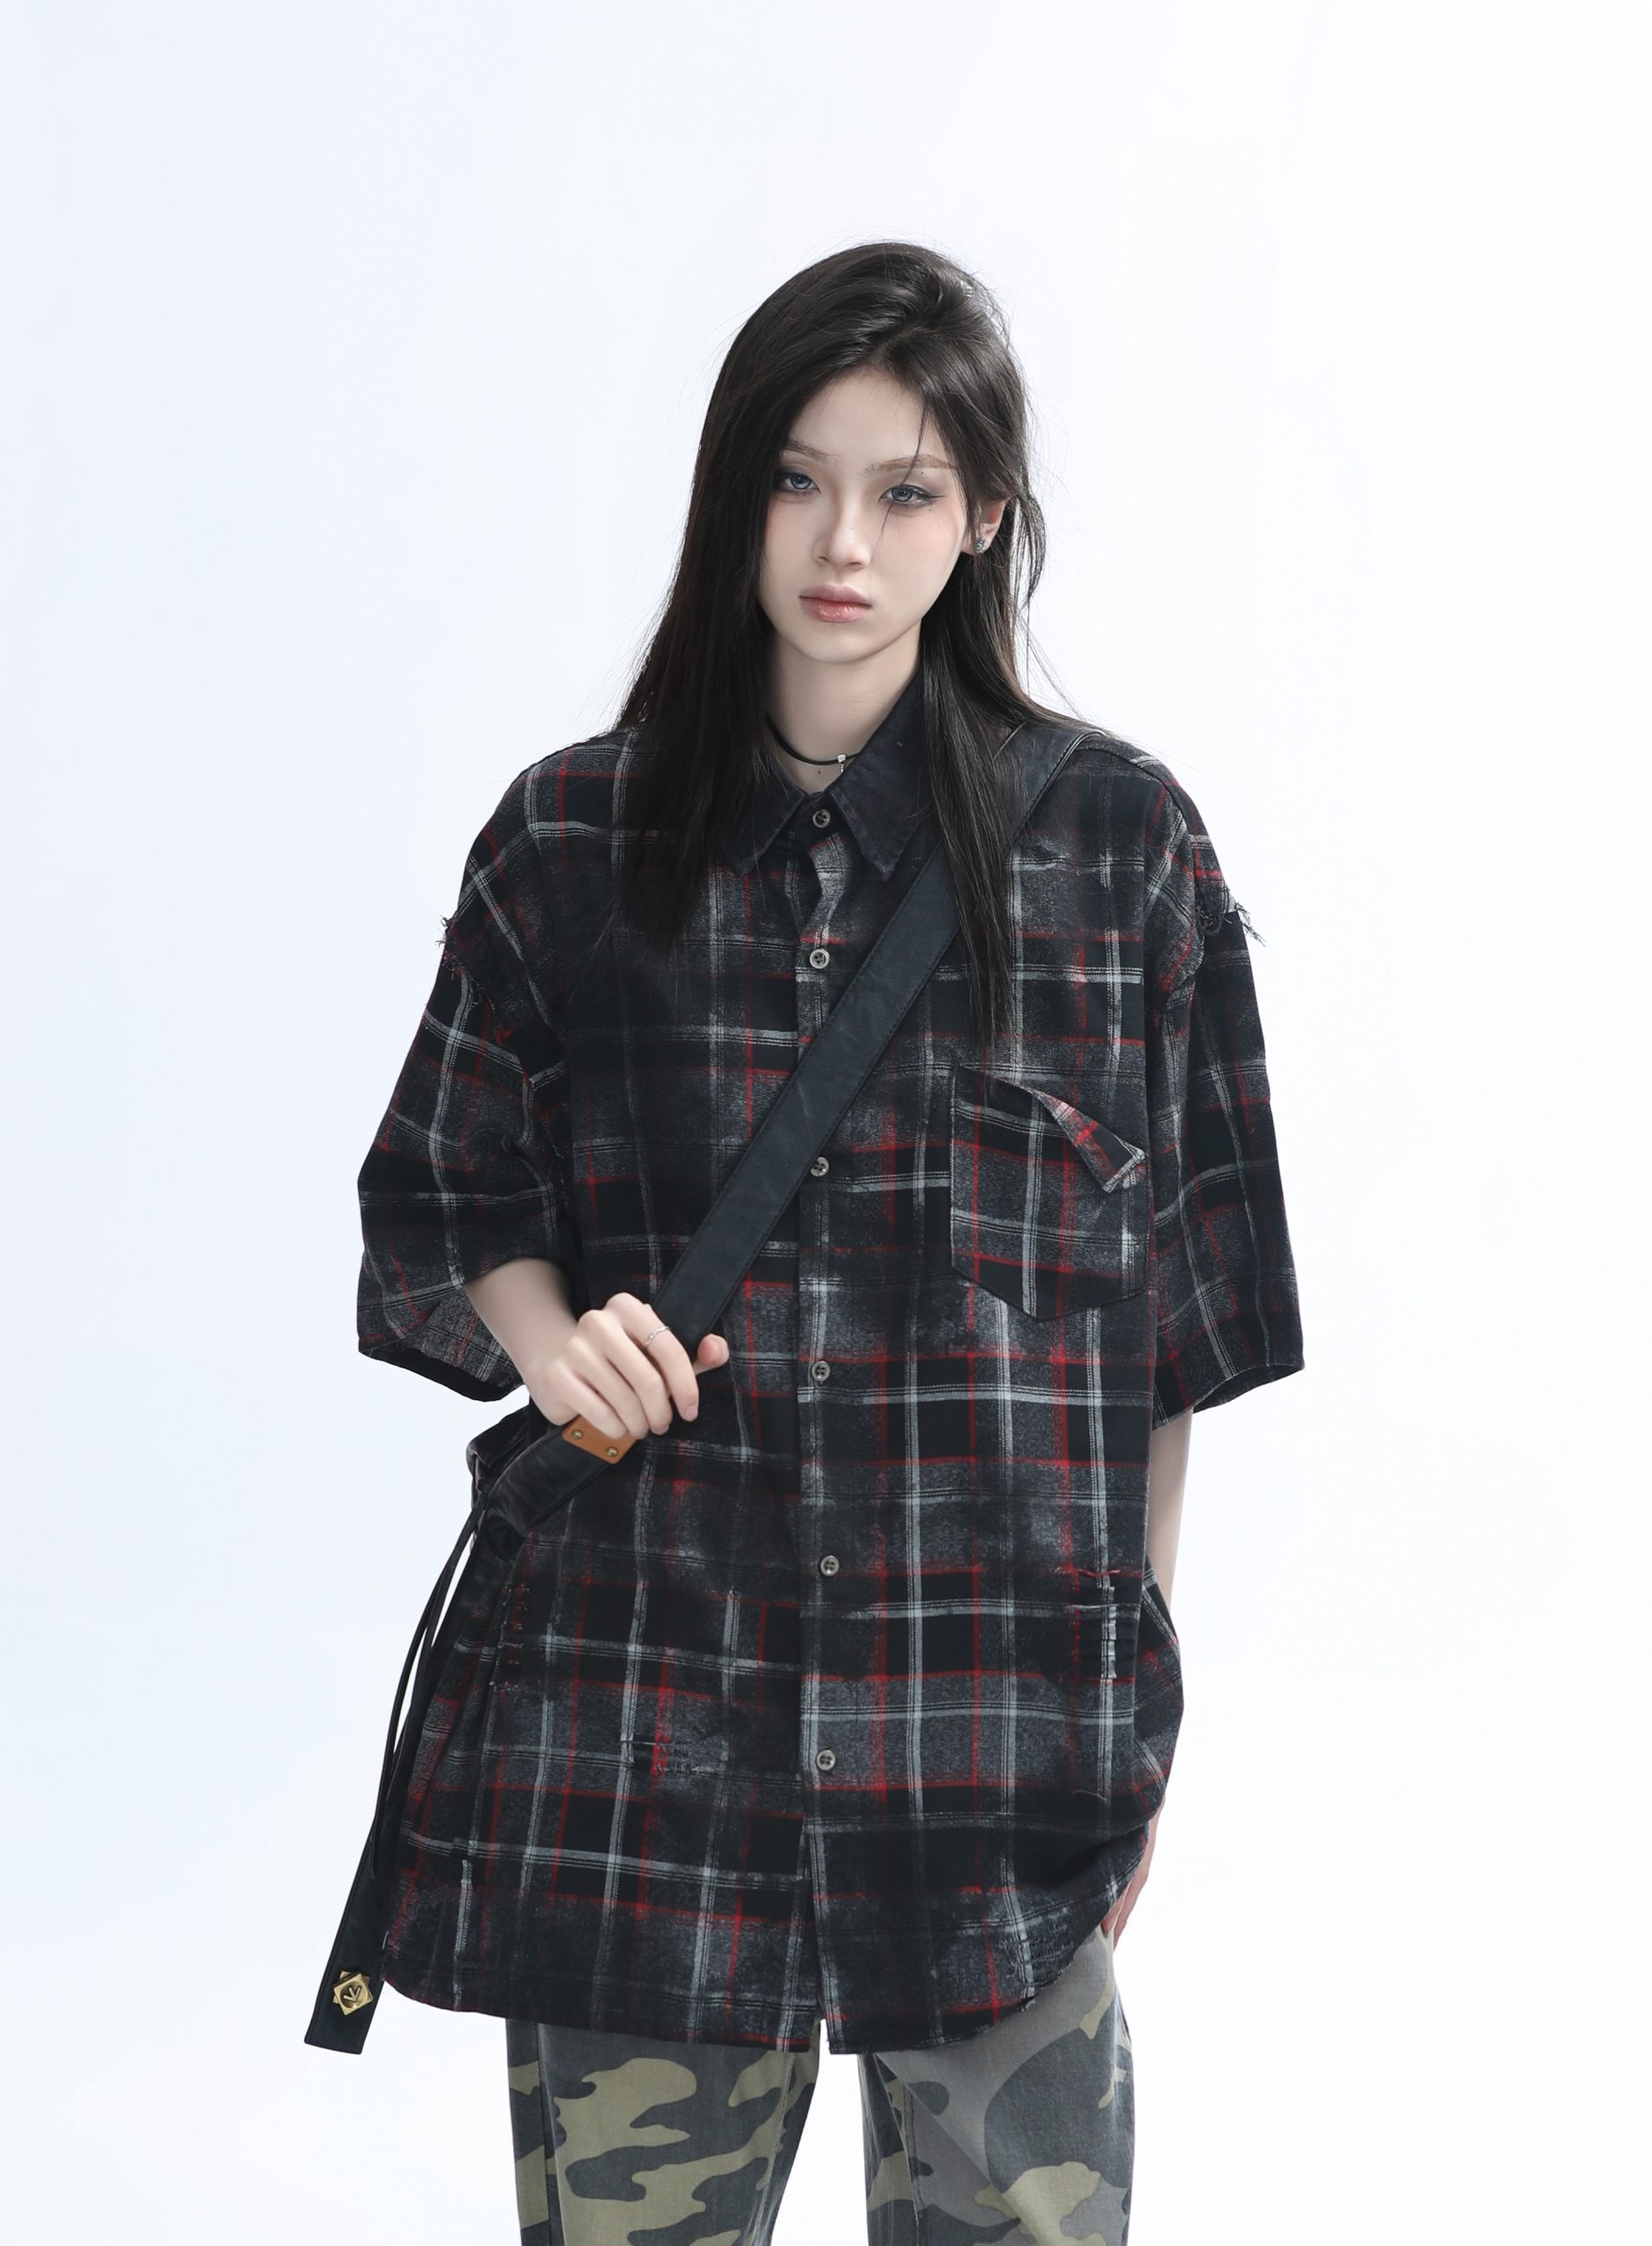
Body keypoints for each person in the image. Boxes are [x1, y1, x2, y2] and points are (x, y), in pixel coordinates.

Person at [353, 240, 1304, 2243]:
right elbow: (442, 1195)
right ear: (733, 494)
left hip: (999, 1762)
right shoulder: (569, 845)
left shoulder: (1123, 855)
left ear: (984, 517)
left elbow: (1175, 1341)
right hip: (642, 1747)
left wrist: (1132, 1716)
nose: (843, 543)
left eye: (904, 488)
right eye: (796, 479)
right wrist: (550, 1334)